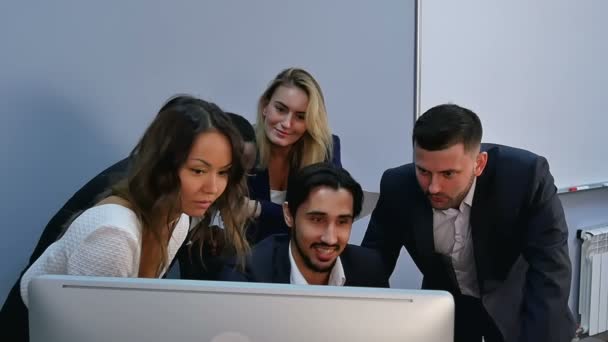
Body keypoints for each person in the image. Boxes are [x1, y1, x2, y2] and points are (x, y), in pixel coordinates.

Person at [4, 96, 251, 341]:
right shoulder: (114, 236)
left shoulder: (179, 220)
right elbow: (86, 334)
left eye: (223, 172)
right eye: (198, 170)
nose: (213, 187)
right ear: (162, 166)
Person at [362, 104, 575, 342]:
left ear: (479, 164)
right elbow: (372, 263)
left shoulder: (526, 177)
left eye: (448, 174)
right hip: (448, 314)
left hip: (519, 309)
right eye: (423, 171)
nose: (433, 187)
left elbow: (550, 270)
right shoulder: (398, 186)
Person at [222, 163, 388, 288]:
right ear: (288, 215)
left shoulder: (369, 269)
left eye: (342, 222)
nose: (330, 238)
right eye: (316, 220)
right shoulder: (246, 274)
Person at [247, 68, 341, 243]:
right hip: (247, 257)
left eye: (300, 116)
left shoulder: (325, 149)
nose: (287, 123)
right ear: (265, 106)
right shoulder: (242, 144)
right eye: (281, 109)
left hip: (303, 256)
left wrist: (258, 208)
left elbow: (323, 217)